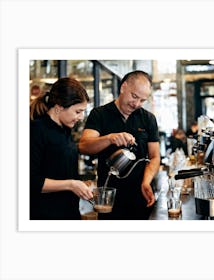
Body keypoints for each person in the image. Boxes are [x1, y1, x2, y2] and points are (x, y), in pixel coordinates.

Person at [79, 70, 161, 220]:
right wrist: (109, 138)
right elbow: (84, 146)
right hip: (108, 197)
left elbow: (155, 156)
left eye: (142, 100)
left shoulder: (148, 119)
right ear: (123, 87)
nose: (136, 104)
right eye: (134, 96)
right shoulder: (100, 114)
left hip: (140, 194)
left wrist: (146, 181)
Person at [30, 77, 93, 220]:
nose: (81, 117)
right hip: (45, 216)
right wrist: (71, 185)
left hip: (68, 212)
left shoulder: (65, 130)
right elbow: (31, 181)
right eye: (78, 111)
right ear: (59, 108)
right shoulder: (36, 130)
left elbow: (60, 170)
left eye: (83, 111)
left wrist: (82, 185)